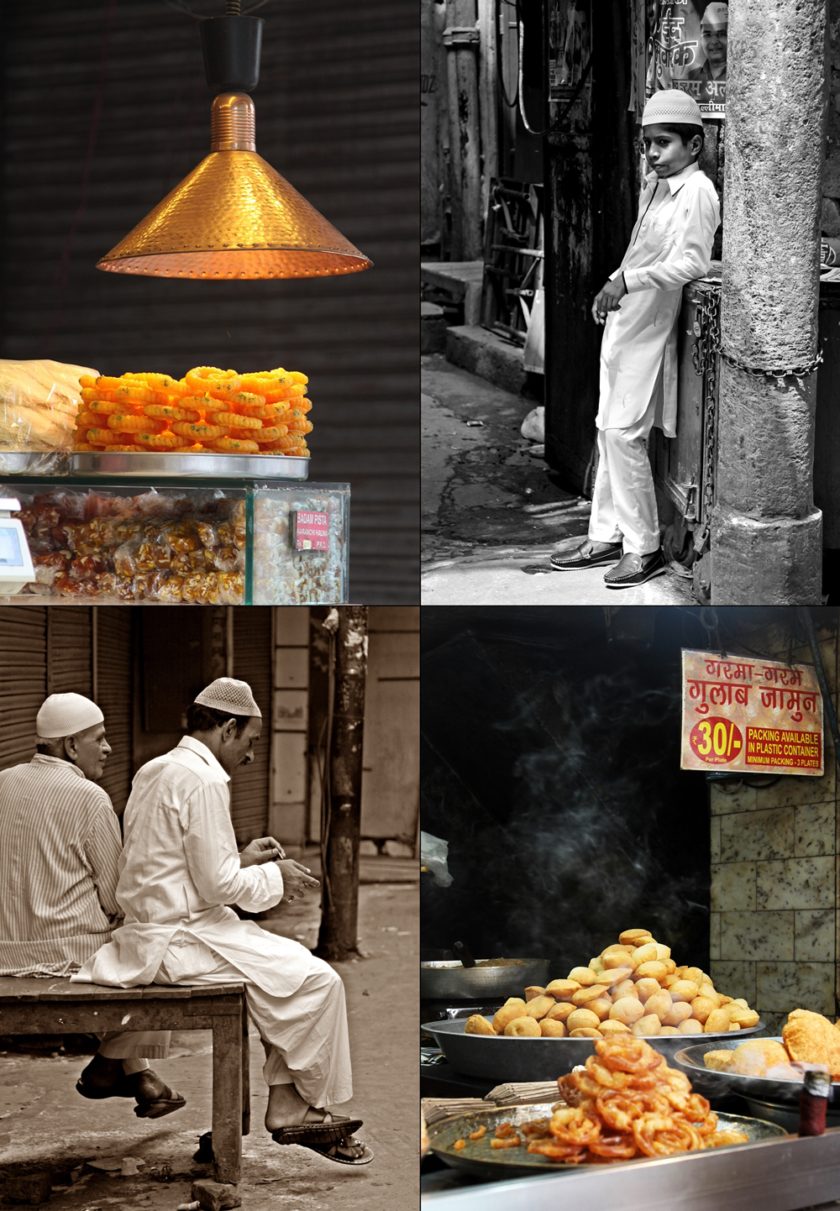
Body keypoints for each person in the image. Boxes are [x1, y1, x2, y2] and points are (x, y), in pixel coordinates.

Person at [76, 677, 373, 1167]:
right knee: (318, 979)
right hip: (179, 938)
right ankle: (291, 1109)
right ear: (228, 728)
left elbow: (170, 866)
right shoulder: (204, 779)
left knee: (292, 971)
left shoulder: (156, 769)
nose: (252, 756)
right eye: (251, 741)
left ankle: (286, 1103)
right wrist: (274, 878)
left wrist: (243, 859)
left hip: (155, 930)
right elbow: (217, 887)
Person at [551, 89, 720, 587]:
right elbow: (638, 251)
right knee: (609, 430)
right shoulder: (654, 187)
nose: (652, 153)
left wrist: (626, 282)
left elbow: (692, 262)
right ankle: (604, 535)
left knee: (625, 435)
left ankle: (642, 547)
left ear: (695, 145)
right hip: (626, 323)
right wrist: (613, 283)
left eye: (663, 143)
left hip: (651, 328)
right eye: (647, 143)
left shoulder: (698, 193)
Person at [0, 692, 184, 1118]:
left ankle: (138, 1076)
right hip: (67, 957)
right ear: (69, 746)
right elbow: (118, 896)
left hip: (4, 951)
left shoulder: (3, 782)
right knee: (165, 950)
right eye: (99, 739)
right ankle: (109, 1066)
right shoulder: (89, 797)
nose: (108, 749)